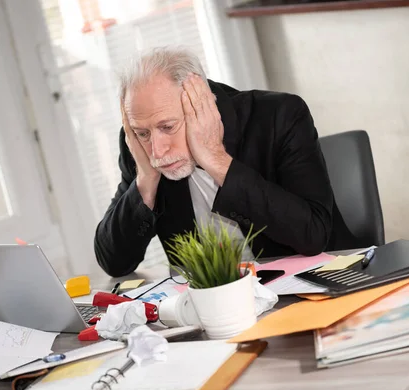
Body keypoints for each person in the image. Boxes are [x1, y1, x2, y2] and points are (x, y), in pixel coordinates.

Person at [94, 47, 357, 277]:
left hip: (320, 287)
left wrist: (216, 161)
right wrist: (145, 180)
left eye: (168, 127)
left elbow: (314, 236)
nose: (157, 150)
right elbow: (114, 262)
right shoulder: (140, 147)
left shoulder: (280, 116)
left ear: (201, 104)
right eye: (143, 133)